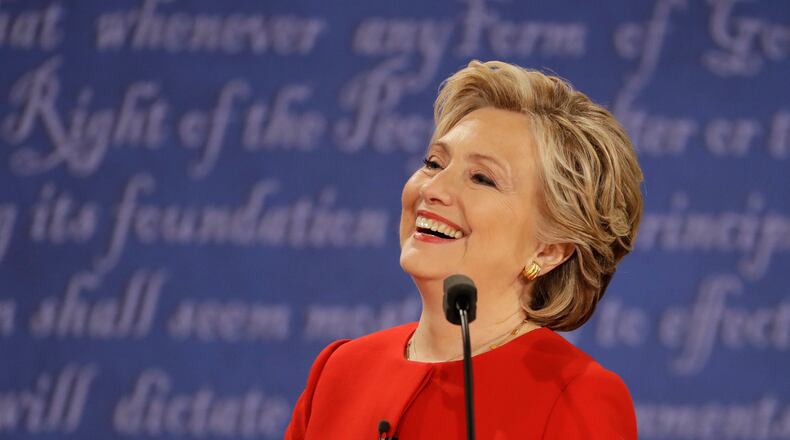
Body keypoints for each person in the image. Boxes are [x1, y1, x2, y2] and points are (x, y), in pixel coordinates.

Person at [285, 60, 643, 439]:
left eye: (482, 178)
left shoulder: (576, 396)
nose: (433, 189)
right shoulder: (341, 371)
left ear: (550, 249)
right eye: (434, 162)